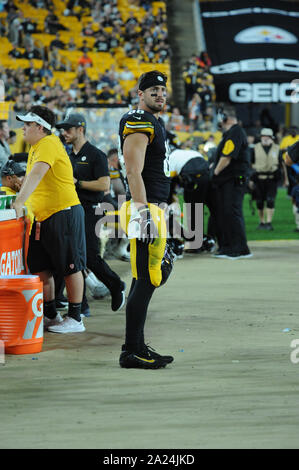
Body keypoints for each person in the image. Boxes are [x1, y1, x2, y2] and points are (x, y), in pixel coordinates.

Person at [13, 105, 87, 334]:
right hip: (43, 216)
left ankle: (75, 318)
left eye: (27, 125)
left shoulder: (48, 144)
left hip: (62, 211)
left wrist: (18, 203)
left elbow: (36, 175)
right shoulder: (37, 146)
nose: (23, 129)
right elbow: (29, 178)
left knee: (70, 266)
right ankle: (51, 314)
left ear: (39, 127)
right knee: (40, 267)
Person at [118, 70, 174, 369]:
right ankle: (132, 350)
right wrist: (143, 211)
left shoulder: (153, 121)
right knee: (146, 279)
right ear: (140, 93)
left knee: (152, 276)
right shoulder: (138, 119)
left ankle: (137, 346)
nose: (159, 94)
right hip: (145, 207)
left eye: (163, 89)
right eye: (153, 89)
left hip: (154, 206)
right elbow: (132, 170)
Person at [56, 113, 126, 316]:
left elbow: (104, 185)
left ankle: (116, 285)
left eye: (68, 129)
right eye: (63, 129)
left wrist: (78, 183)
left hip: (92, 209)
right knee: (72, 256)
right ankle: (80, 306)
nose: (64, 133)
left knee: (89, 257)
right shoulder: (69, 156)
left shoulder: (96, 155)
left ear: (81, 129)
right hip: (73, 209)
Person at [212, 108, 252, 259]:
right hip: (228, 181)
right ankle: (229, 246)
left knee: (232, 212)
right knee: (227, 212)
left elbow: (227, 157)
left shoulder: (235, 132)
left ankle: (239, 248)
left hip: (233, 180)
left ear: (225, 117)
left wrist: (215, 172)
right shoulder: (231, 133)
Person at [251, 128, 288, 231]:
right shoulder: (255, 148)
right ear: (261, 137)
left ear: (272, 138)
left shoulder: (277, 148)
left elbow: (282, 164)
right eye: (264, 136)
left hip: (272, 178)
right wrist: (250, 179)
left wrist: (286, 179)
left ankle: (269, 222)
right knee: (259, 201)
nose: (265, 138)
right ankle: (262, 222)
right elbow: (250, 164)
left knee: (270, 200)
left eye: (268, 136)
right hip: (259, 178)